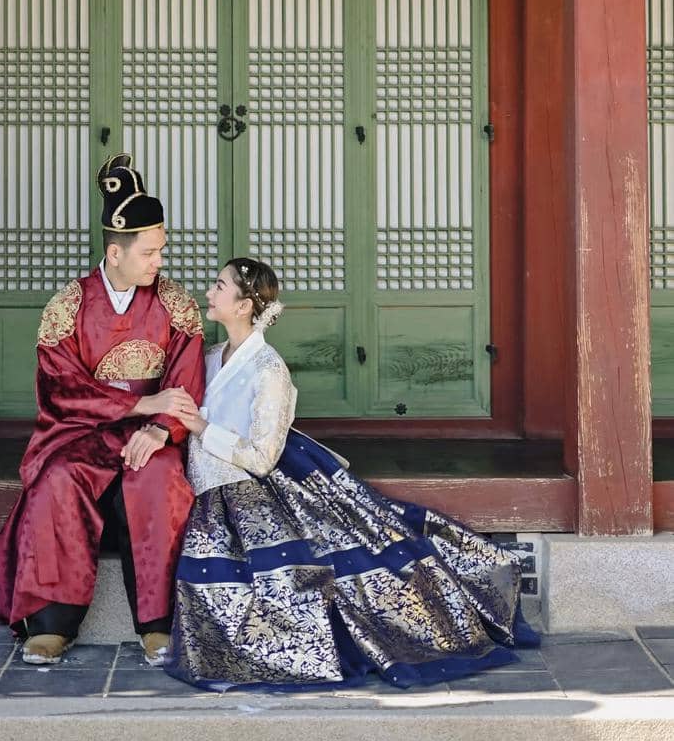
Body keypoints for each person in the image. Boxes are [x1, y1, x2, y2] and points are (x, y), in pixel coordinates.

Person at [164, 257, 538, 691]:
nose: (209, 292)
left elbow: (263, 457)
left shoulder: (268, 369)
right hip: (214, 480)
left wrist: (203, 428)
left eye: (219, 285)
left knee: (327, 564)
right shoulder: (210, 357)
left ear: (245, 305)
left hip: (253, 481)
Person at [0, 153, 205, 667]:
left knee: (158, 479)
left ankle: (158, 623)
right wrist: (139, 401)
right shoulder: (68, 307)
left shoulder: (177, 306)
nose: (158, 262)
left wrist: (160, 428)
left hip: (150, 432)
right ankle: (51, 624)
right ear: (115, 252)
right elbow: (61, 390)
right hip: (81, 433)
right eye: (149, 253)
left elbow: (186, 383)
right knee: (59, 479)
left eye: (161, 251)